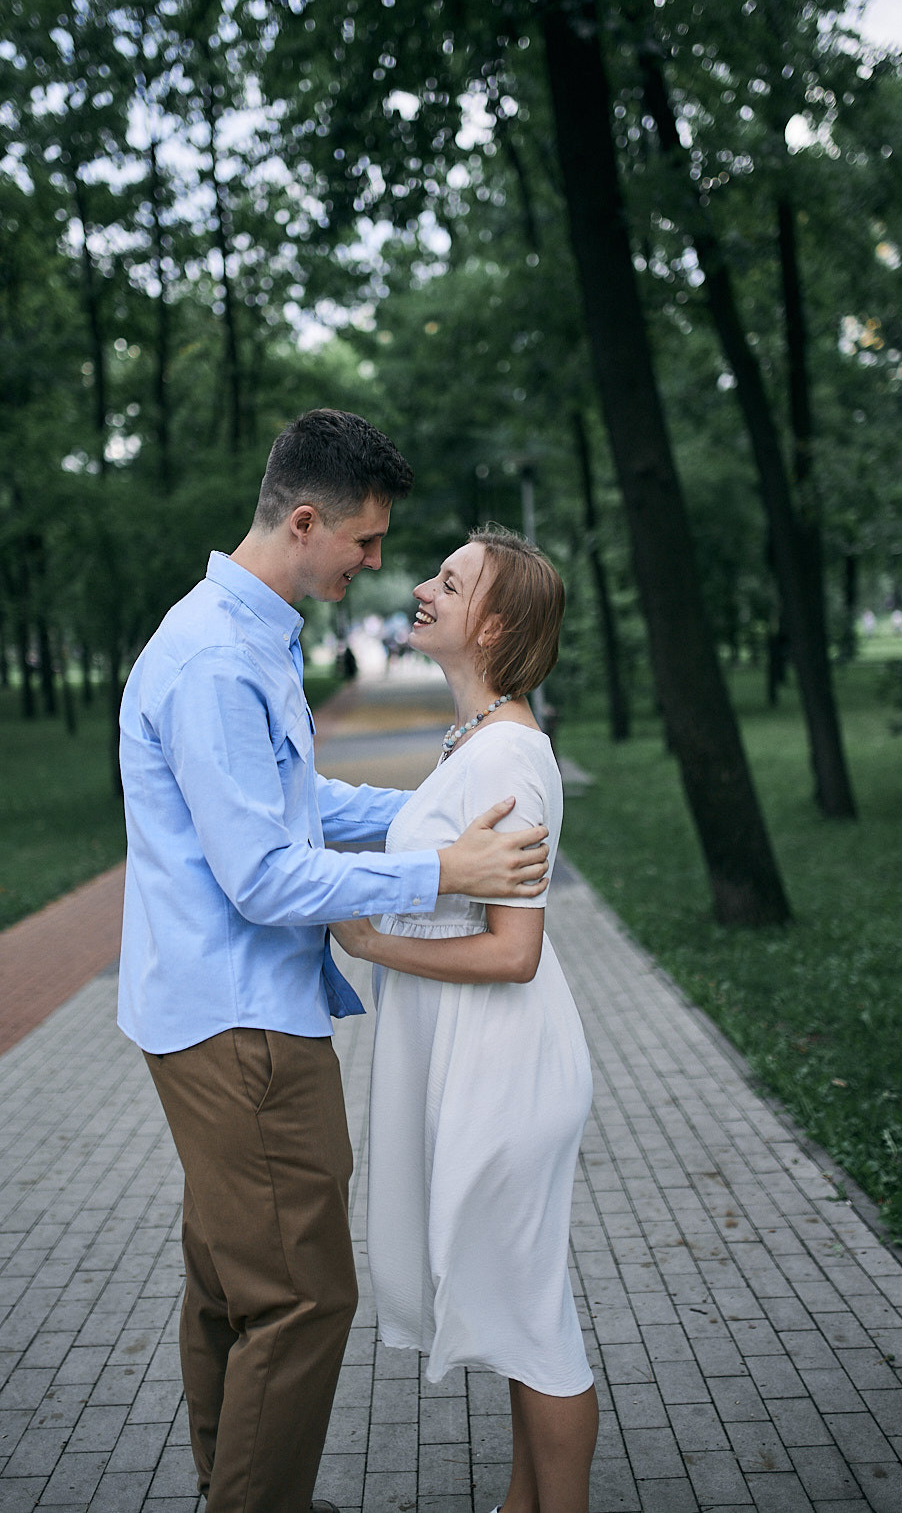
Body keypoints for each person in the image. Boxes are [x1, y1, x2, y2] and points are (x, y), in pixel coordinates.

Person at [116, 411, 551, 1513]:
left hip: (217, 1012)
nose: (375, 564)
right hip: (244, 1029)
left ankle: (247, 1492)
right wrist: (444, 871)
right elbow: (265, 876)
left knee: (230, 1290)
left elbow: (295, 805)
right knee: (302, 1302)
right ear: (304, 521)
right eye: (363, 541)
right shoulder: (216, 659)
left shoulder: (242, 634)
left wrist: (427, 817)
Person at [331, 527, 597, 1513]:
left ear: (495, 622)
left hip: (507, 1072)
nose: (421, 587)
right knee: (524, 1316)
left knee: (538, 1326)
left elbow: (512, 950)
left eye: (450, 581)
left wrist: (370, 943)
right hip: (472, 1061)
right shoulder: (477, 744)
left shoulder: (512, 758)